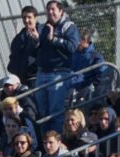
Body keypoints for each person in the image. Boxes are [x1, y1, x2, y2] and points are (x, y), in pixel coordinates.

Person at [34, 1, 80, 133]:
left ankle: (56, 143)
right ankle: (45, 144)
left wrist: (54, 38)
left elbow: (72, 46)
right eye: (48, 9)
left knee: (55, 113)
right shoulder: (43, 27)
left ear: (61, 11)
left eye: (53, 9)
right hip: (42, 73)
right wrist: (36, 41)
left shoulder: (68, 26)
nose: (50, 12)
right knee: (42, 113)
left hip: (58, 74)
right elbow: (40, 49)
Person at [8, 6, 40, 87]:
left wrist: (38, 40)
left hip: (36, 78)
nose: (26, 20)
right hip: (21, 80)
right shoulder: (18, 38)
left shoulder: (43, 33)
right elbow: (14, 57)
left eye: (29, 17)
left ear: (35, 18)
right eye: (24, 17)